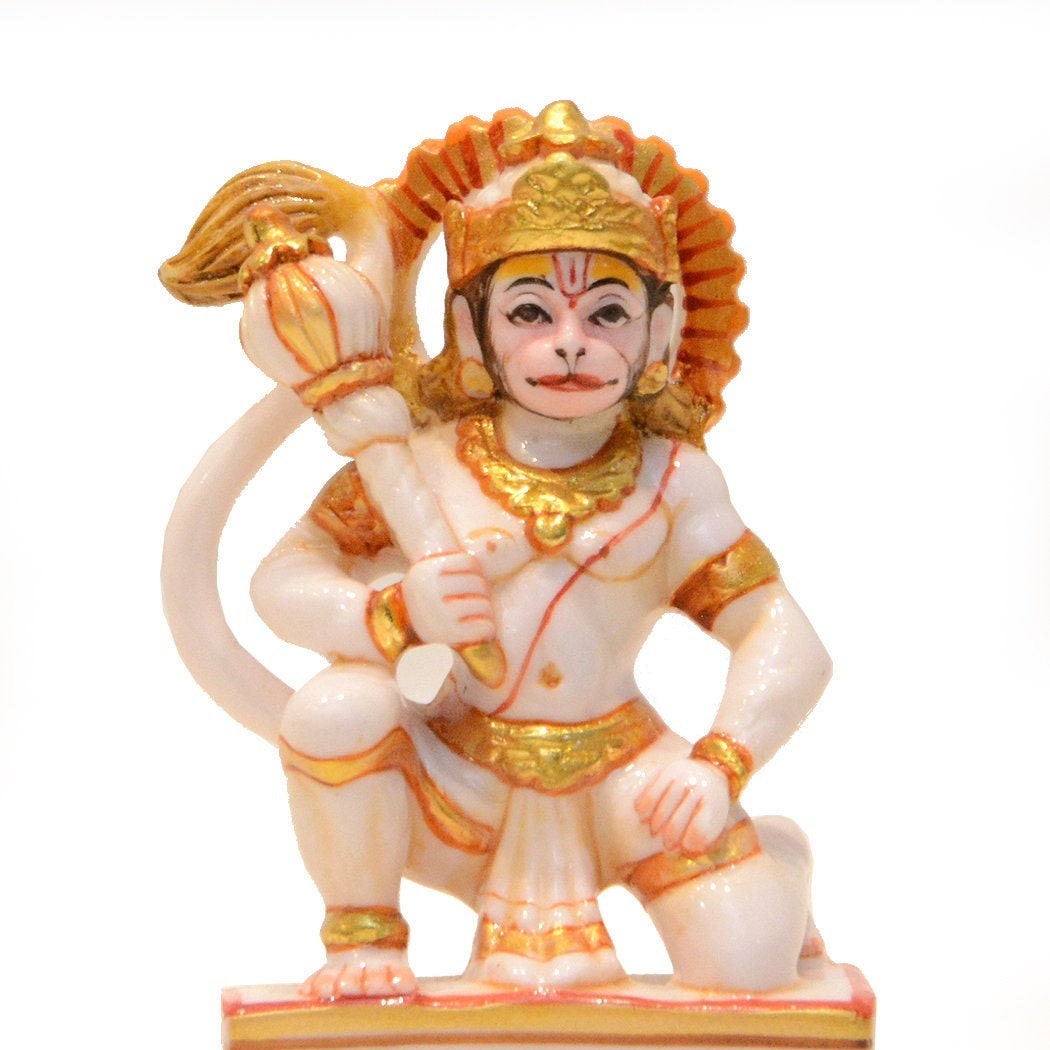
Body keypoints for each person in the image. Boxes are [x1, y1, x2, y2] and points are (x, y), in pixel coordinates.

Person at [162, 103, 832, 1002]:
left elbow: (783, 637)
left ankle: (779, 858)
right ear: (471, 330)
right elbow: (279, 581)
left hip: (622, 781)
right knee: (334, 710)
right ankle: (364, 937)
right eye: (528, 311)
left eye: (608, 313)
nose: (569, 343)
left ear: (662, 333)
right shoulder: (423, 464)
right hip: (457, 782)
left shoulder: (673, 484)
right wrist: (392, 613)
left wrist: (719, 763)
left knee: (745, 964)